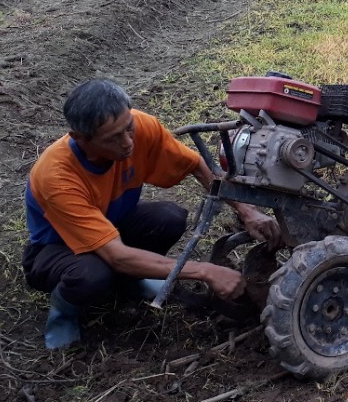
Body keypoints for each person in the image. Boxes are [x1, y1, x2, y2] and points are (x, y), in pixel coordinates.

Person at [21, 79, 280, 349]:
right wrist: (205, 271)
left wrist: (247, 211)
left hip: (110, 227)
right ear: (80, 139)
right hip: (56, 249)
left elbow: (196, 166)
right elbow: (116, 256)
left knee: (169, 217)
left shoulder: (139, 127)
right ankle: (63, 313)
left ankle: (132, 280)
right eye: (113, 138)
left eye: (128, 128)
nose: (127, 143)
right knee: (92, 274)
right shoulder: (57, 176)